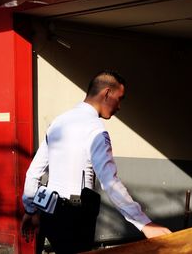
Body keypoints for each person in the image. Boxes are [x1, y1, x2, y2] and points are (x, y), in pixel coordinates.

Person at [21, 70, 172, 254]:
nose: (119, 107)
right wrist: (144, 223)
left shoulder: (58, 122)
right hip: (74, 218)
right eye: (120, 98)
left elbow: (34, 172)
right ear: (107, 93)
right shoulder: (95, 130)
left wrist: (30, 210)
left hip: (47, 212)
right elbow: (110, 183)